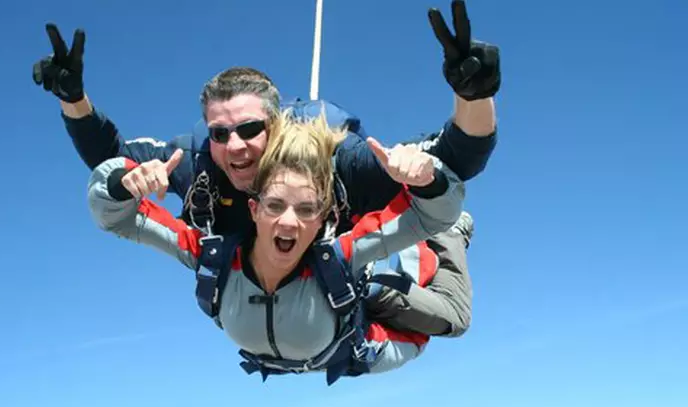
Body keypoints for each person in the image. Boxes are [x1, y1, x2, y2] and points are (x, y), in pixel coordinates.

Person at [35, 0, 496, 337]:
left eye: (249, 129)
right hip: (273, 294)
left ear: (277, 125)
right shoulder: (195, 165)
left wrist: (473, 93)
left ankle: (448, 236)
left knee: (448, 320)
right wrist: (74, 99)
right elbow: (108, 161)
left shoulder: (334, 159)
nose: (234, 147)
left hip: (346, 264)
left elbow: (459, 157)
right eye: (220, 133)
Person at [87, 110, 466, 385]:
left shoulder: (343, 254)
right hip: (319, 352)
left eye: (305, 210)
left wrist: (428, 181)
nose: (288, 222)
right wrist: (123, 183)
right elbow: (116, 214)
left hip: (356, 347)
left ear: (323, 220)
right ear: (253, 209)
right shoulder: (211, 256)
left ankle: (454, 239)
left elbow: (431, 214)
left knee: (452, 319)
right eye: (274, 206)